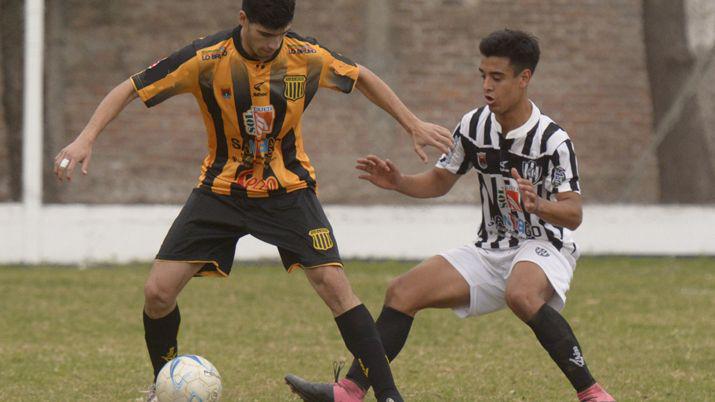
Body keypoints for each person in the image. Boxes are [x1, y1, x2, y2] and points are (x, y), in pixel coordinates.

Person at [53, 1, 454, 401]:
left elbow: (362, 76)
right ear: (243, 20)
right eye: (264, 35)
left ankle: (387, 395)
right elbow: (131, 87)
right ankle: (165, 385)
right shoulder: (205, 58)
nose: (272, 45)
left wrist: (412, 123)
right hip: (221, 192)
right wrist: (86, 137)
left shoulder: (305, 55)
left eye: (279, 35)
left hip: (288, 190)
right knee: (158, 293)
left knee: (334, 286)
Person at [285, 29, 615, 402]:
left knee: (521, 293)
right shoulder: (474, 126)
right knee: (402, 291)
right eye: (483, 76)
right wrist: (399, 182)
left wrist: (539, 205)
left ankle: (592, 393)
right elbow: (440, 181)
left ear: (524, 79)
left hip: (544, 245)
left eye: (497, 77)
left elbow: (573, 215)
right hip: (490, 250)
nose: (487, 87)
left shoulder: (553, 140)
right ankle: (350, 390)